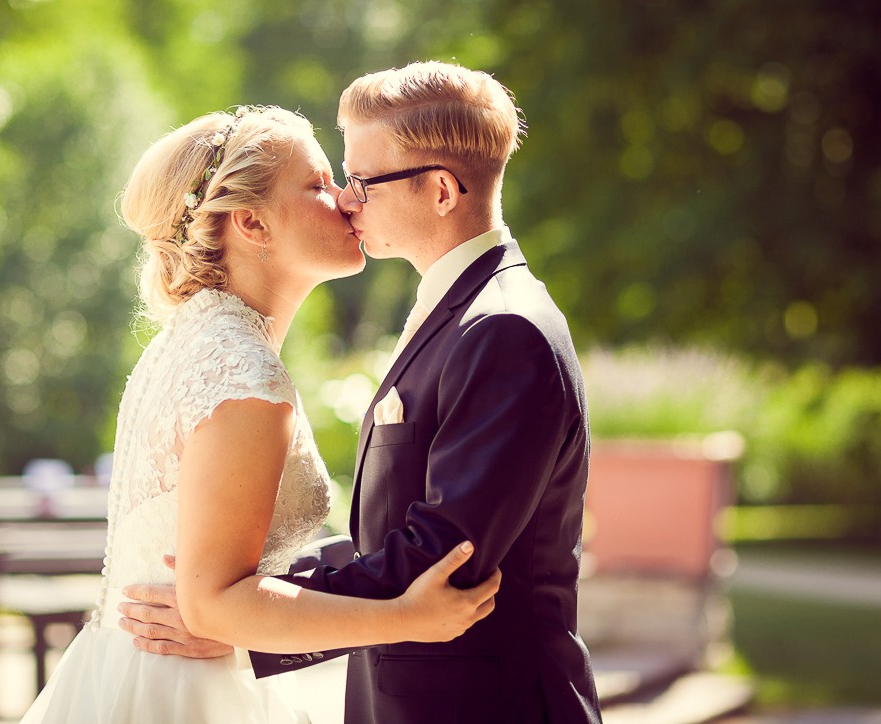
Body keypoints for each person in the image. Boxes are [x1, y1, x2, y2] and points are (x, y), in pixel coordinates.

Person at [121, 63, 603, 723]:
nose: (348, 200)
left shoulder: (506, 329)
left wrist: (237, 619)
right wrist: (240, 602)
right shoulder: (458, 311)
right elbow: (390, 535)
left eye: (362, 181)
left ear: (439, 191)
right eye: (335, 181)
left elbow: (445, 556)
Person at [19, 105, 500, 723]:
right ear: (251, 223)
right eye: (319, 184)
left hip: (139, 673)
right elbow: (214, 604)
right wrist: (404, 617)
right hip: (190, 694)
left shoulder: (192, 345)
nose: (348, 198)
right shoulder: (243, 374)